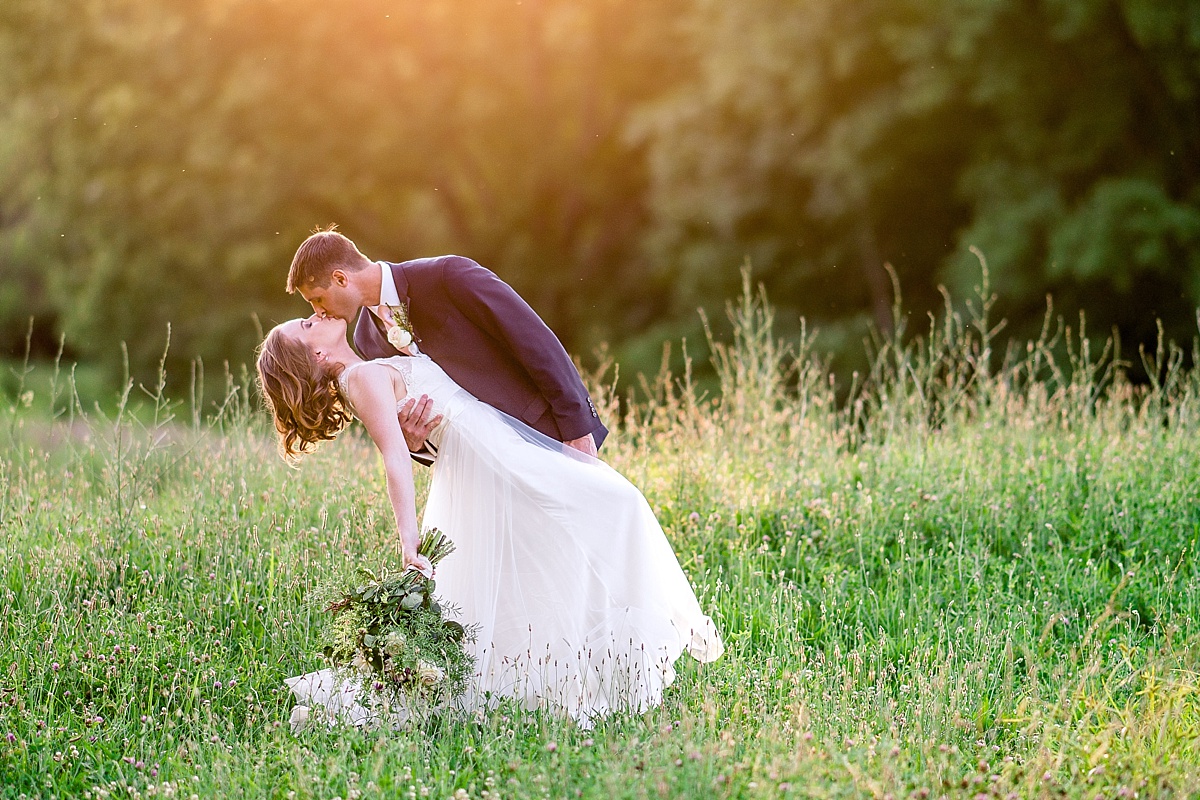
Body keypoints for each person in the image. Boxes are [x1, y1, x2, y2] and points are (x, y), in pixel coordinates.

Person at [255, 314, 724, 725]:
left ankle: (583, 667)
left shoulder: (367, 367)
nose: (315, 316)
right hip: (493, 458)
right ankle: (650, 637)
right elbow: (394, 456)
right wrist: (408, 539)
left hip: (493, 448)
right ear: (317, 354)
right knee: (618, 503)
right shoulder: (360, 378)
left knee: (552, 552)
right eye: (306, 325)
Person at [285, 228, 606, 466]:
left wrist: (577, 430)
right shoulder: (366, 341)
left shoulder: (447, 276)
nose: (318, 312)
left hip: (544, 434)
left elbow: (534, 340)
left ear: (341, 279)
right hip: (484, 471)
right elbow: (426, 436)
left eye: (318, 299)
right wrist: (416, 446)